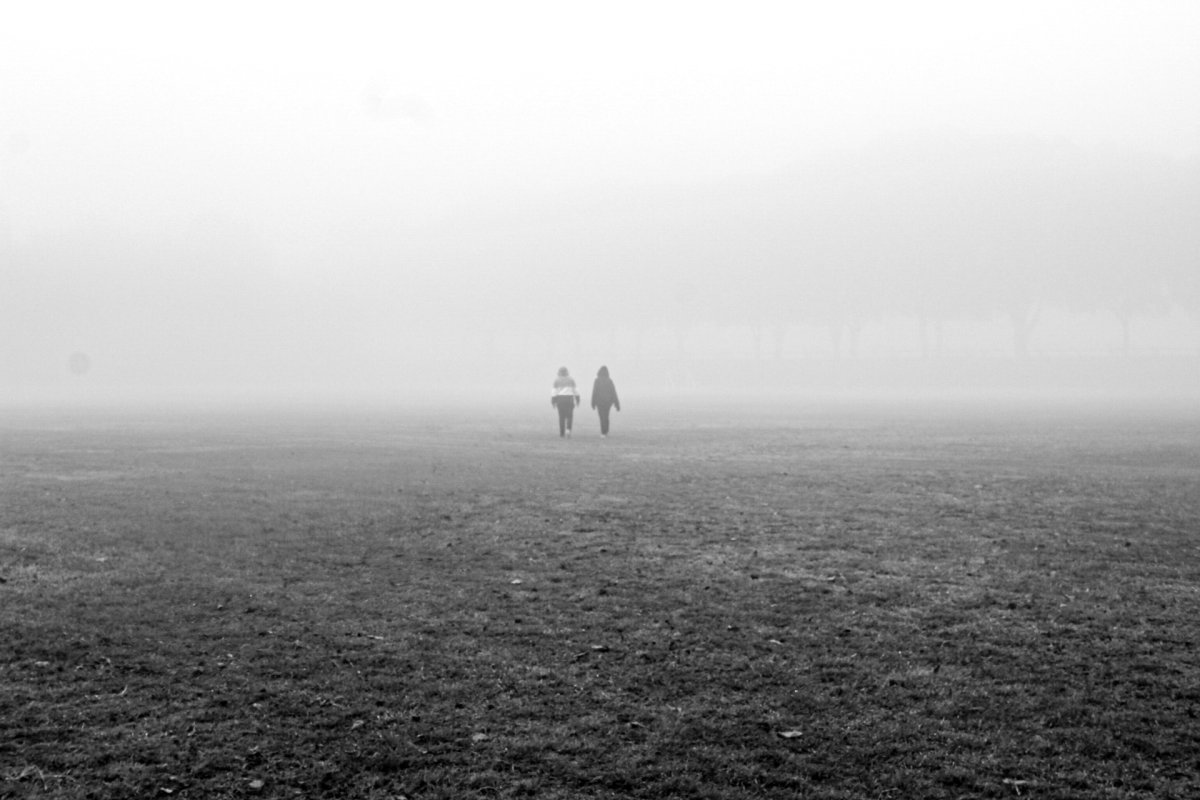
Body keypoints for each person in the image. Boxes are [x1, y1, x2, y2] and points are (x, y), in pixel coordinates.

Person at [590, 365, 621, 437]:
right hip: (608, 402)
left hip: (599, 401)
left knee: (601, 416)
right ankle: (606, 431)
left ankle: (603, 432)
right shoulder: (609, 381)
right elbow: (613, 392)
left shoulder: (597, 381)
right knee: (606, 416)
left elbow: (594, 392)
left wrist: (593, 403)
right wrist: (617, 404)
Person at [550, 366, 580, 437]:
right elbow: (576, 391)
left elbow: (554, 392)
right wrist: (577, 400)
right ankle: (568, 430)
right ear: (567, 372)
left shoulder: (556, 380)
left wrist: (553, 402)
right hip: (569, 399)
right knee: (569, 416)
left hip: (560, 400)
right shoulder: (571, 380)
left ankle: (562, 433)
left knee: (561, 417)